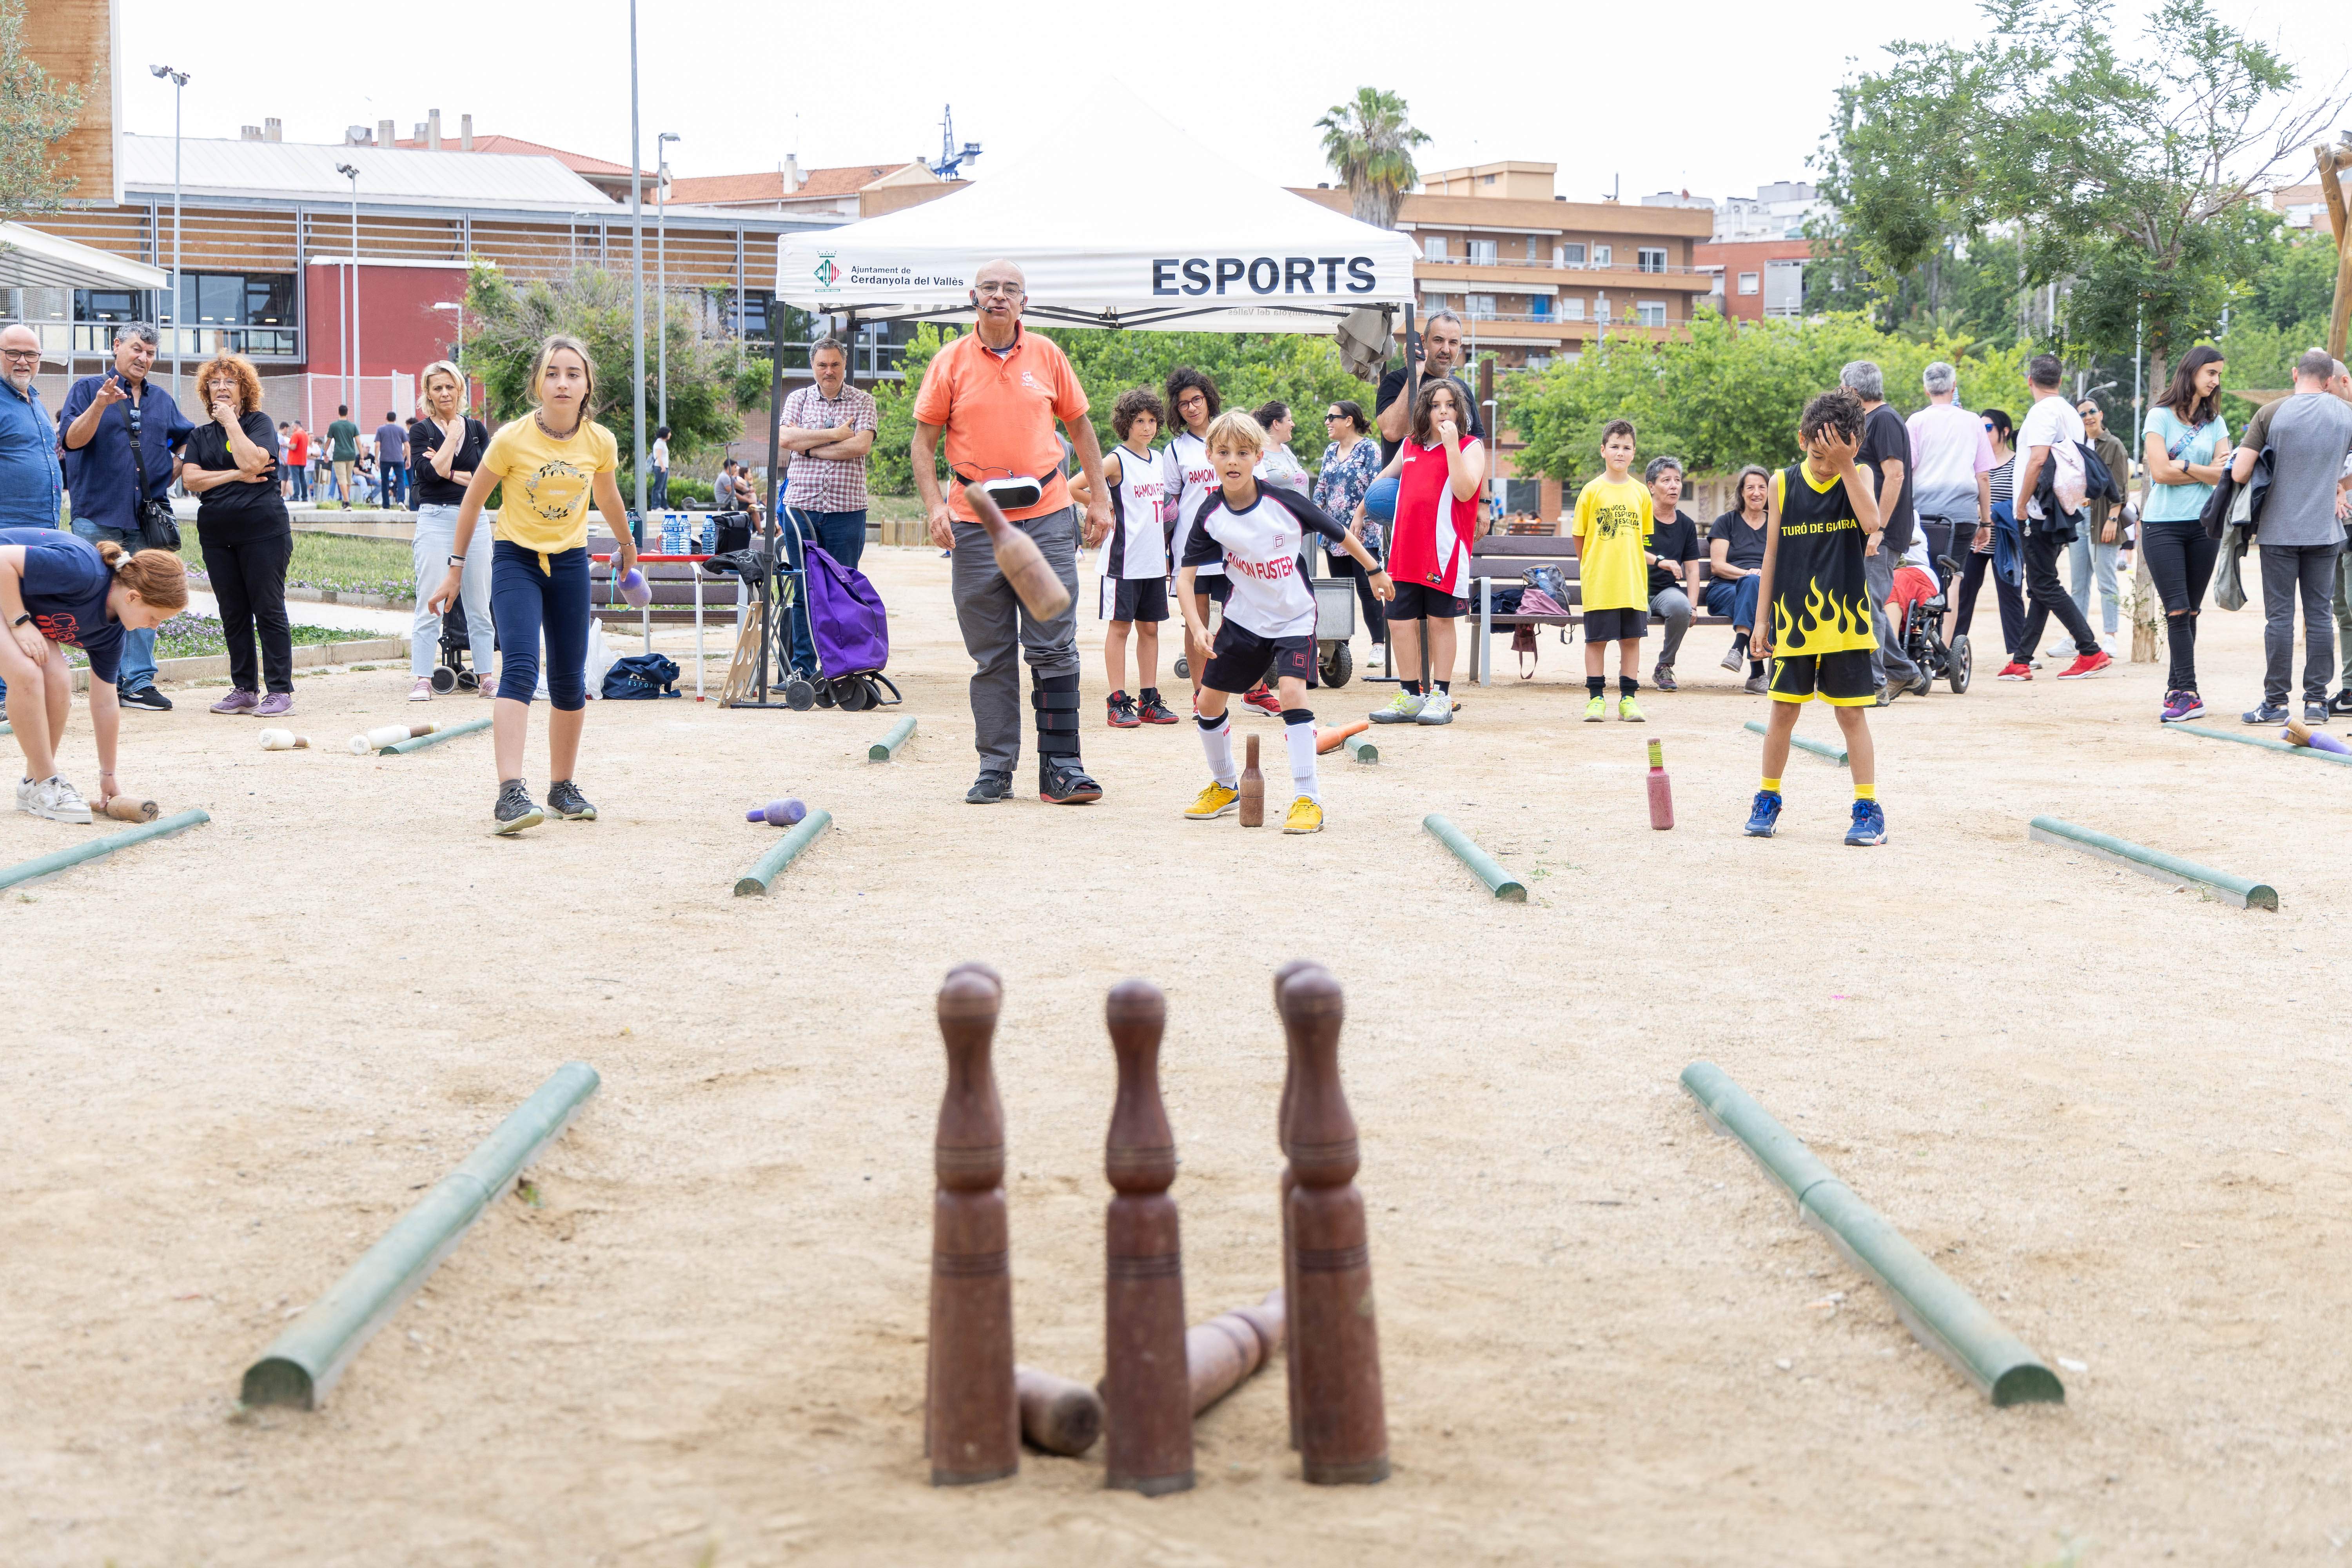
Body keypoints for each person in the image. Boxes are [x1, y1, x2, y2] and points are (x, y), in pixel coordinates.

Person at [911, 258, 1111, 806]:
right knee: (991, 654)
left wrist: (1101, 497)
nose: (1000, 296)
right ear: (973, 296)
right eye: (991, 288)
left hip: (1046, 515)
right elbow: (923, 446)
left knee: (1054, 646)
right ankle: (996, 769)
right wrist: (935, 507)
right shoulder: (949, 362)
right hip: (974, 524)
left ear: (1025, 301)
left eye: (1011, 290)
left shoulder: (1047, 354)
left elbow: (1081, 427)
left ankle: (1063, 768)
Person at [426, 333, 640, 835]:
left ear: (587, 385)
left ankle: (562, 787)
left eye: (573, 373)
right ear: (537, 384)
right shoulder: (512, 439)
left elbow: (606, 497)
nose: (562, 382)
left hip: (569, 563)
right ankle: (510, 794)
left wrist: (627, 543)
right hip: (516, 561)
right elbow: (474, 502)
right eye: (552, 373)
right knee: (520, 666)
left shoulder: (600, 442)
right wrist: (456, 569)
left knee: (571, 678)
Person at [1176, 410, 1391, 835]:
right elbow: (1186, 578)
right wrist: (1197, 625)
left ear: (1258, 456)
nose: (1233, 461)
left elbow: (1340, 534)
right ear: (1210, 456)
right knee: (1207, 703)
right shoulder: (1210, 513)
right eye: (1224, 453)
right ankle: (1225, 785)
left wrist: (1374, 570)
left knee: (1292, 693)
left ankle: (1307, 797)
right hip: (1243, 619)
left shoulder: (1285, 502)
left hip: (1294, 615)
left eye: (1242, 452)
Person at [1745, 388, 1886, 847]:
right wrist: (1762, 620)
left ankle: (1867, 808)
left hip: (1846, 624)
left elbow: (1872, 524)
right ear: (1803, 438)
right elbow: (1771, 554)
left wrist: (1847, 466)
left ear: (1854, 447)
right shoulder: (1783, 483)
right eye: (1818, 454)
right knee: (1783, 711)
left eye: (1835, 456)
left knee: (1851, 716)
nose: (1824, 465)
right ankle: (1768, 798)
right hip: (1794, 623)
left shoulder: (1858, 473)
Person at [0, 530, 185, 821]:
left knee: (59, 679)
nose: (153, 628)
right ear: (133, 597)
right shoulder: (83, 570)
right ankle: (48, 781)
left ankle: (34, 785)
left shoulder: (111, 634)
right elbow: (2, 561)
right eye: (154, 618)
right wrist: (20, 622)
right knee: (26, 673)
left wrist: (108, 774)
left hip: (9, 600)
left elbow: (105, 702)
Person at [58, 323, 190, 711]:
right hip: (97, 514)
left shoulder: (162, 400)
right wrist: (101, 404)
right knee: (93, 597)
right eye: (136, 349)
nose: (143, 359)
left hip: (143, 520)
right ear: (116, 347)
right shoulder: (86, 389)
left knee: (147, 596)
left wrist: (174, 469)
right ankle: (103, 679)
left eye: (150, 353)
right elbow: (71, 441)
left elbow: (186, 436)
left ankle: (139, 682)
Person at [2230, 348, 2352, 724]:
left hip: (2278, 532)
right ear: (2329, 380)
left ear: (2296, 373)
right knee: (2320, 616)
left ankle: (2276, 703)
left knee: (2279, 618)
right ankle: (2316, 703)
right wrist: (2337, 485)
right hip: (2326, 531)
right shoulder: (2347, 415)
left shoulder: (2270, 413)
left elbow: (2240, 473)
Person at [179, 352, 295, 719]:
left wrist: (231, 423)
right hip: (216, 534)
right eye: (215, 382)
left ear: (244, 390)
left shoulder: (260, 423)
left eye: (230, 382)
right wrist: (233, 476)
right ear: (206, 391)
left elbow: (254, 462)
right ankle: (244, 689)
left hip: (263, 532)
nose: (222, 388)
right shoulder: (199, 436)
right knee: (233, 613)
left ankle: (279, 691)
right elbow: (191, 480)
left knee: (268, 609)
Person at [1362, 379, 1483, 726]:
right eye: (1435, 405)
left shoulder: (1470, 446)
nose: (1443, 411)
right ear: (1425, 410)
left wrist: (1451, 448)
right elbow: (1384, 479)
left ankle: (1441, 696)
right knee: (1399, 623)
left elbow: (1463, 492)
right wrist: (1359, 512)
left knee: (1441, 623)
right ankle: (1411, 696)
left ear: (1460, 411)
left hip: (1444, 552)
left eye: (1449, 405)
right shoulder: (1410, 445)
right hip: (1403, 550)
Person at [777, 336, 878, 682]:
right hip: (800, 508)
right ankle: (803, 668)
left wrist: (810, 447)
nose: (829, 371)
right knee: (804, 589)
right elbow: (786, 440)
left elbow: (860, 446)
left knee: (844, 590)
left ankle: (843, 667)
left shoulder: (864, 401)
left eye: (835, 364)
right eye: (822, 364)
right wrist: (836, 434)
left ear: (844, 365)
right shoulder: (798, 399)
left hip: (846, 511)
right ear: (813, 366)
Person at [2002, 354, 2109, 681]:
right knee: (2040, 584)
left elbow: (2037, 461)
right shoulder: (2069, 413)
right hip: (2062, 508)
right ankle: (2021, 660)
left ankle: (2090, 650)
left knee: (2044, 583)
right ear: (2060, 381)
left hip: (2038, 511)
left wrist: (2020, 504)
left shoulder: (2042, 412)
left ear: (2030, 380)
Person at [2140, 346, 2230, 722]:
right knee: (2176, 609)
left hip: (2204, 525)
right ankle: (2190, 694)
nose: (2216, 381)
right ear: (2191, 371)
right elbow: (2160, 473)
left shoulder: (2217, 423)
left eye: (2220, 375)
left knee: (2191, 611)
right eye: (2211, 372)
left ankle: (2176, 688)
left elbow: (2227, 475)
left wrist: (2188, 464)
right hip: (2162, 525)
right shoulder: (2158, 417)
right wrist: (2205, 469)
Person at [407, 360, 494, 701]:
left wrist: (444, 468)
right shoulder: (421, 431)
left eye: (450, 386)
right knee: (428, 599)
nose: (444, 393)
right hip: (435, 519)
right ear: (428, 393)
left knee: (479, 604)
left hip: (475, 521)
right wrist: (452, 440)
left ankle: (487, 676)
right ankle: (423, 679)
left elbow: (483, 480)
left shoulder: (477, 430)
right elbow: (427, 476)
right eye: (437, 387)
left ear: (460, 389)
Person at [1843, 361, 1926, 703]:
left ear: (1853, 391)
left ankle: (1876, 682)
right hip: (1869, 529)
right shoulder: (1870, 421)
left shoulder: (1886, 420)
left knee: (1869, 604)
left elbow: (1895, 476)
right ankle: (1905, 673)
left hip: (1882, 532)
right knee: (1868, 603)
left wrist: (1879, 529)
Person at [1097, 388, 1176, 729]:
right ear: (1125, 424)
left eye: (1152, 421)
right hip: (1122, 560)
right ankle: (1117, 702)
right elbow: (1074, 486)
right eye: (1139, 421)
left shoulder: (1159, 460)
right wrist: (1103, 507)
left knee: (1150, 629)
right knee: (1120, 629)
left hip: (1154, 561)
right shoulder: (1116, 460)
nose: (1147, 427)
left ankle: (1149, 699)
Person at [1904, 361, 1994, 644]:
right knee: (1953, 576)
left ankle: (1915, 642)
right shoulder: (1972, 421)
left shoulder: (1915, 422)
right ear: (1953, 387)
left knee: (1921, 572)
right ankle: (1943, 646)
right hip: (1962, 514)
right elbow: (1983, 476)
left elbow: (1907, 469)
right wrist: (1986, 521)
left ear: (1926, 389)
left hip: (1923, 514)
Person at [1569, 419, 1653, 722]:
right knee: (1596, 642)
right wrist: (1591, 566)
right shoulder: (1591, 491)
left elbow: (1641, 538)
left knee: (1631, 641)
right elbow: (1579, 536)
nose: (1621, 452)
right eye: (1615, 447)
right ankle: (1596, 700)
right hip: (1600, 582)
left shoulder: (1642, 493)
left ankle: (1628, 700)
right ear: (1603, 450)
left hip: (1631, 582)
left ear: (1634, 453)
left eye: (1627, 447)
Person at [1161, 367, 1227, 709]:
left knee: (1235, 617)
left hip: (1233, 544)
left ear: (1208, 398)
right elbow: (1170, 504)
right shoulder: (1175, 451)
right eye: (1184, 403)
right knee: (1196, 620)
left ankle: (1251, 689)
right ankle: (1201, 694)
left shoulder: (1229, 435)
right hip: (1192, 546)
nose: (1191, 408)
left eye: (1196, 399)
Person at [1954, 408, 2028, 671]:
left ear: (2004, 432)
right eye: (1980, 428)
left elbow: (2022, 500)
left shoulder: (2018, 464)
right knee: (1962, 595)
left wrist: (1992, 512)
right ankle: (1951, 648)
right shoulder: (1973, 463)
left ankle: (2021, 654)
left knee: (2011, 596)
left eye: (1988, 428)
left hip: (2005, 542)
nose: (1983, 433)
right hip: (1975, 540)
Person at [1312, 399, 1385, 656]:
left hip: (1363, 532)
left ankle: (1379, 644)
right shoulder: (1331, 450)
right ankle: (1339, 645)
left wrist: (1360, 513)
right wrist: (1314, 515)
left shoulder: (1369, 449)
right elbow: (1321, 487)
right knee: (1340, 591)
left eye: (1332, 417)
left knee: (1367, 588)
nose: (1327, 422)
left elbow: (1377, 485)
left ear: (1349, 420)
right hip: (1335, 534)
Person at [1374, 309, 1486, 468]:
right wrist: (1416, 375)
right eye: (1439, 340)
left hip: (1455, 489)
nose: (1446, 349)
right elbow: (1392, 432)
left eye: (1453, 342)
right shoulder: (1396, 381)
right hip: (1405, 488)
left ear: (1460, 346)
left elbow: (1477, 446)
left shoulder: (1462, 389)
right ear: (1423, 341)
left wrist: (1484, 494)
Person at [2062, 398, 2130, 652]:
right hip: (2079, 519)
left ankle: (2110, 636)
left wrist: (2113, 518)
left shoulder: (2113, 446)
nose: (2088, 417)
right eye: (2082, 414)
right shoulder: (2074, 446)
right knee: (2078, 584)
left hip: (2104, 518)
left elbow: (2121, 488)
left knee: (2106, 580)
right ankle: (2076, 637)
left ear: (2101, 414)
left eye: (2092, 412)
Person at [1641, 455, 1705, 691]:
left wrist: (1694, 605)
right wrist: (1661, 562)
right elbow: (1630, 549)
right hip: (1635, 586)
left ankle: (1664, 666)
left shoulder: (1686, 525)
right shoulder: (1639, 516)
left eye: (1677, 480)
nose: (1674, 486)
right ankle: (1628, 672)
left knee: (1681, 608)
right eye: (1666, 480)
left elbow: (1692, 567)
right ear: (1651, 486)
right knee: (1636, 611)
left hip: (1666, 591)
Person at [1708, 465, 1772, 693]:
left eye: (1762, 487)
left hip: (1763, 590)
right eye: (1751, 487)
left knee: (1757, 592)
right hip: (1725, 590)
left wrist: (1761, 578)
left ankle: (1738, 648)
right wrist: (1748, 574)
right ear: (1742, 492)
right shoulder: (1727, 522)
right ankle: (1757, 675)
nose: (1757, 492)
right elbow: (1718, 566)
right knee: (1753, 587)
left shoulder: (1776, 523)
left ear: (1769, 492)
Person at [1252, 402, 1311, 495]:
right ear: (1276, 424)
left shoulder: (1287, 451)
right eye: (1289, 420)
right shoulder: (1256, 454)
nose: (1293, 424)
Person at [326, 404, 361, 510]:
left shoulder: (334, 426)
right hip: (351, 455)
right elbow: (359, 442)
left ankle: (347, 503)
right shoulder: (353, 426)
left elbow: (328, 441)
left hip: (339, 456)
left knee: (341, 479)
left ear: (339, 412)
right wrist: (362, 457)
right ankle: (345, 501)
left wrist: (325, 453)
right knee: (348, 479)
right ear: (347, 413)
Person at [374, 410, 408, 509]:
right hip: (399, 459)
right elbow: (407, 445)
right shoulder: (401, 430)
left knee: (385, 481)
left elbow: (377, 445)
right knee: (401, 480)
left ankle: (386, 506)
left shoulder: (381, 430)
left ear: (386, 418)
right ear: (395, 419)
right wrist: (407, 459)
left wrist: (376, 460)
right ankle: (401, 501)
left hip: (385, 459)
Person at [281, 419, 311, 503]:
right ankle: (305, 497)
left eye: (292, 427)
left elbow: (293, 447)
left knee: (295, 479)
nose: (292, 429)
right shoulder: (305, 434)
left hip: (294, 460)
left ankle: (296, 496)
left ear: (296, 426)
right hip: (302, 460)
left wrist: (287, 445)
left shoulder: (296, 434)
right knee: (303, 479)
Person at [648, 424, 670, 509]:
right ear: (665, 434)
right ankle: (655, 506)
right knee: (658, 487)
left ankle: (665, 506)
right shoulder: (659, 443)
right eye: (669, 433)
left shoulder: (663, 443)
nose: (670, 435)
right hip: (660, 467)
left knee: (662, 488)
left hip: (664, 467)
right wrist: (663, 467)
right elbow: (659, 456)